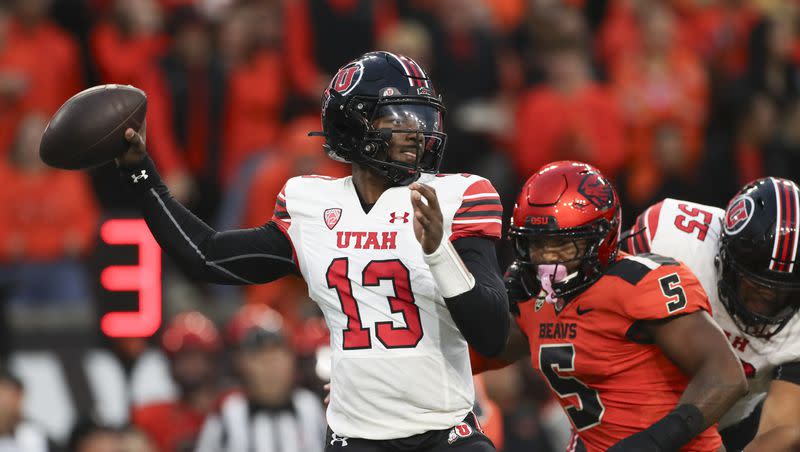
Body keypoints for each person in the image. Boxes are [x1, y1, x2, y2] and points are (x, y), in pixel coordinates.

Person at [112, 51, 509, 451]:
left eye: (420, 117)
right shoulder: (313, 206)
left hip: (445, 431)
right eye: (398, 118)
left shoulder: (457, 196)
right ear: (352, 124)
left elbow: (491, 333)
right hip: (358, 438)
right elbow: (205, 255)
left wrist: (439, 252)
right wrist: (139, 171)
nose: (416, 132)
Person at [472, 161, 747, 451]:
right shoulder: (531, 293)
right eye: (536, 243)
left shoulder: (640, 283)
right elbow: (487, 349)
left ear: (600, 238)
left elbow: (727, 376)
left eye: (563, 244)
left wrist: (650, 444)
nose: (547, 258)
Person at [621, 177, 800, 451]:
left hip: (722, 427)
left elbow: (780, 431)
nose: (764, 302)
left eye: (781, 294)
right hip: (626, 406)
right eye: (754, 286)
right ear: (724, 257)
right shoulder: (673, 240)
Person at [195, 304, 325, 452]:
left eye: (277, 353)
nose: (270, 365)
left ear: (291, 358)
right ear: (242, 363)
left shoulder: (310, 408)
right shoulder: (227, 413)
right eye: (260, 356)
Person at [132, 311, 222, 452]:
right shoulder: (153, 417)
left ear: (211, 361)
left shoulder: (232, 407)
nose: (189, 367)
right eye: (181, 359)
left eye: (196, 357)